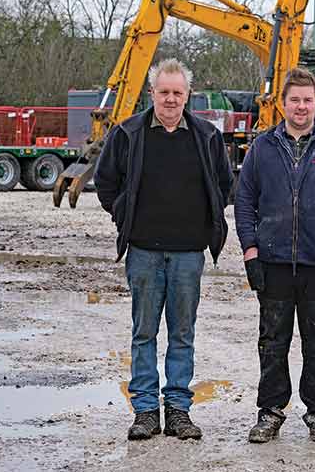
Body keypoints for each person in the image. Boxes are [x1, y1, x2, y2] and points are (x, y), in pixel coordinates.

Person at [94, 58, 233, 441]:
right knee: (144, 332)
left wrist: (206, 225)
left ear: (188, 95)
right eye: (164, 92)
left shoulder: (206, 136)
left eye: (178, 92)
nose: (171, 99)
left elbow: (223, 184)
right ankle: (144, 412)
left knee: (183, 333)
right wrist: (124, 215)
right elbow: (105, 182)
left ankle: (177, 410)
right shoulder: (128, 133)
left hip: (189, 253)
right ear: (151, 93)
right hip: (143, 252)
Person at [234, 67, 315, 443]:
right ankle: (270, 412)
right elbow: (244, 202)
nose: (301, 106)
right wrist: (250, 248)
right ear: (283, 103)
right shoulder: (262, 147)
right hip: (272, 262)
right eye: (295, 100)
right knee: (273, 342)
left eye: (308, 100)